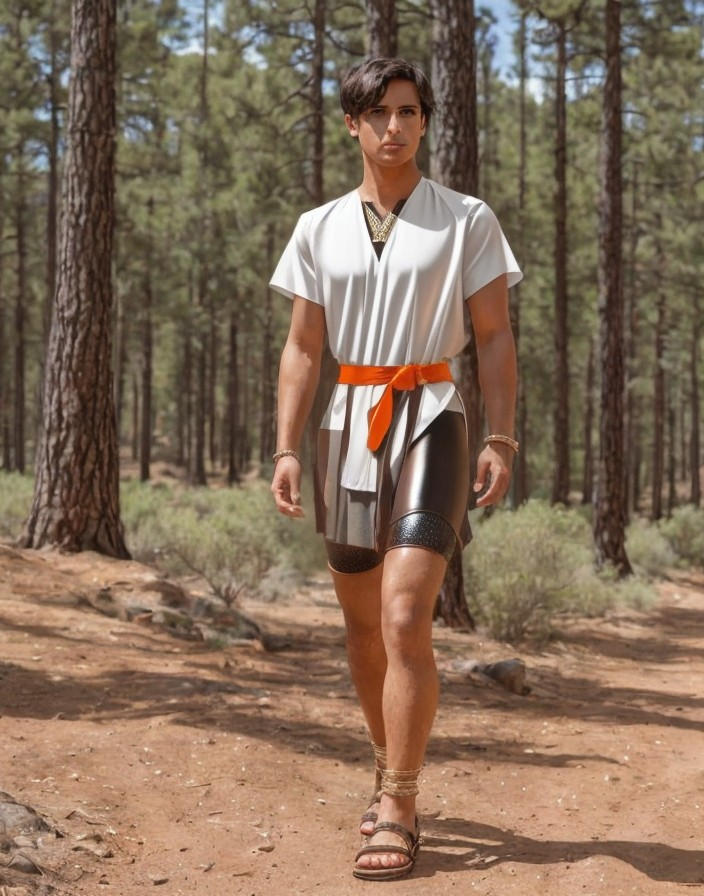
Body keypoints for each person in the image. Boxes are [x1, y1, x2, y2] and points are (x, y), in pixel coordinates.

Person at [268, 57, 522, 881]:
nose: (394, 127)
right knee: (361, 624)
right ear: (351, 124)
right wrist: (285, 445)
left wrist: (502, 437)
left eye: (409, 112)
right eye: (378, 113)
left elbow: (492, 336)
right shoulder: (318, 227)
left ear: (425, 122)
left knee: (407, 613)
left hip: (432, 417)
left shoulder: (466, 219)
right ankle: (387, 765)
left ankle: (402, 803)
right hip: (347, 430)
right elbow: (305, 346)